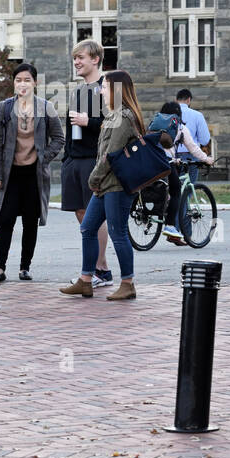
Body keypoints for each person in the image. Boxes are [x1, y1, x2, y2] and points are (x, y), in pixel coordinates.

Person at [59, 69, 144, 301]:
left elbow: (110, 155)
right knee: (87, 228)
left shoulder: (123, 117)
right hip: (104, 185)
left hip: (116, 186)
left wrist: (93, 179)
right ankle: (86, 280)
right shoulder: (112, 115)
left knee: (118, 233)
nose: (101, 90)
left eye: (105, 87)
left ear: (117, 90)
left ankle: (128, 283)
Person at [0, 63, 65, 283]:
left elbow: (59, 138)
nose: (22, 84)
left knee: (30, 221)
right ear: (14, 83)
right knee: (6, 220)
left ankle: (24, 267)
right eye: (18, 80)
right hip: (10, 174)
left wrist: (43, 158)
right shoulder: (4, 107)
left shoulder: (45, 107)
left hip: (34, 174)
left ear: (35, 83)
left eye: (27, 80)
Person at [61, 40, 114, 289]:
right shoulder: (78, 91)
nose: (76, 62)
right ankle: (94, 267)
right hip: (74, 160)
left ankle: (99, 269)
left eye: (81, 57)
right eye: (75, 58)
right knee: (81, 213)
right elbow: (71, 128)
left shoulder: (111, 87)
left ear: (95, 59)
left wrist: (89, 122)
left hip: (95, 161)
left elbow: (118, 125)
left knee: (95, 216)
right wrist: (66, 159)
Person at [155, 100, 213, 243]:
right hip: (166, 163)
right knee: (177, 192)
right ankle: (169, 226)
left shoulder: (154, 123)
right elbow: (193, 148)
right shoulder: (179, 126)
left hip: (151, 162)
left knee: (160, 189)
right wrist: (207, 159)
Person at [174, 88, 212, 183]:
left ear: (176, 100)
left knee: (173, 189)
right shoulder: (197, 115)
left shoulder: (167, 115)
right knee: (188, 189)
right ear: (189, 100)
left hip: (171, 156)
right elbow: (205, 140)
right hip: (190, 156)